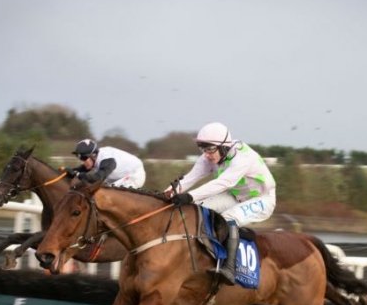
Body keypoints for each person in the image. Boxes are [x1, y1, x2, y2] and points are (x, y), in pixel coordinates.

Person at [165, 122, 276, 285]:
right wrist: (166, 194)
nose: (207, 155)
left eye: (210, 150)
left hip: (262, 199)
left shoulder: (243, 157)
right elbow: (190, 178)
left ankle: (229, 268)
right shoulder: (208, 156)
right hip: (234, 196)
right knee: (196, 209)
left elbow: (223, 183)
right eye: (203, 149)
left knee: (228, 217)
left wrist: (189, 196)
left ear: (224, 147)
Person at [71, 139, 146, 188]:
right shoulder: (95, 158)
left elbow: (97, 178)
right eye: (80, 158)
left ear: (93, 155)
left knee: (109, 195)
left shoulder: (107, 161)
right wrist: (71, 171)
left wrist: (77, 174)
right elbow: (83, 169)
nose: (82, 161)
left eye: (83, 158)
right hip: (119, 176)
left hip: (134, 175)